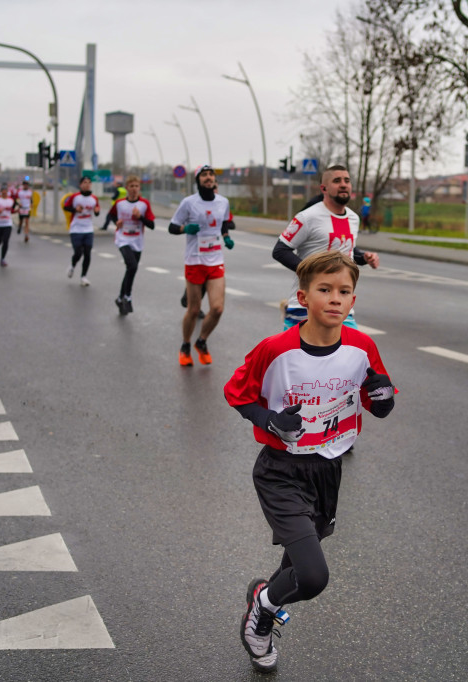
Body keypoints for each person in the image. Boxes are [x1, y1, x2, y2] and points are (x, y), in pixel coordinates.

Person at [224, 250, 396, 673]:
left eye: (344, 292)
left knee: (296, 567)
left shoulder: (362, 346)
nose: (335, 299)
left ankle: (263, 599)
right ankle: (262, 613)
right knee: (314, 577)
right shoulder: (276, 349)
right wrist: (268, 419)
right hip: (280, 471)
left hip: (327, 470)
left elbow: (379, 402)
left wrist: (383, 397)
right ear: (303, 297)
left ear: (353, 301)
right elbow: (237, 392)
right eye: (325, 290)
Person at [273, 165, 380, 330]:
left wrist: (364, 257)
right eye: (337, 181)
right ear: (324, 188)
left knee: (352, 352)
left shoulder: (353, 218)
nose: (343, 184)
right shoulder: (307, 217)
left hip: (341, 307)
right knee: (300, 355)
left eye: (347, 180)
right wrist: (311, 272)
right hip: (306, 306)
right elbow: (280, 250)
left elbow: (347, 250)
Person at [169, 164, 235, 366]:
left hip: (215, 259)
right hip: (195, 260)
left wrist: (226, 236)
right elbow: (172, 227)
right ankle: (186, 345)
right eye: (204, 175)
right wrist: (184, 228)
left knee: (217, 309)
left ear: (215, 181)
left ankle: (202, 341)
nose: (208, 178)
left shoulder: (223, 202)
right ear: (198, 180)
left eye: (211, 175)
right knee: (194, 309)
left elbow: (224, 222)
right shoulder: (189, 203)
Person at [104, 175, 155, 315]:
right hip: (123, 239)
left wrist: (140, 217)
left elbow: (152, 225)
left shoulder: (144, 204)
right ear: (127, 188)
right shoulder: (120, 203)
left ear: (139, 188)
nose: (134, 189)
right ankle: (128, 296)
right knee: (132, 266)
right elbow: (111, 214)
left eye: (136, 186)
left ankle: (120, 298)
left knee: (130, 270)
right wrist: (116, 223)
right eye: (131, 186)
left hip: (137, 241)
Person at [62, 175, 100, 286]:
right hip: (76, 228)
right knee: (78, 252)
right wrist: (75, 209)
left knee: (87, 252)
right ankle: (72, 266)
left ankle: (84, 277)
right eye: (84, 182)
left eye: (89, 182)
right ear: (80, 184)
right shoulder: (75, 197)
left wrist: (97, 211)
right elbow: (65, 207)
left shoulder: (94, 198)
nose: (87, 184)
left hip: (88, 229)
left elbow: (97, 212)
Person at [0, 187, 18, 267]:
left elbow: (11, 210)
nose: (4, 193)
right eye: (3, 192)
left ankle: (2, 258)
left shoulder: (11, 200)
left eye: (6, 192)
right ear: (1, 192)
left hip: (7, 223)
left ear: (7, 192)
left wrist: (15, 211)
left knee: (6, 241)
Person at [16, 177, 34, 242]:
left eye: (27, 185)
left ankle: (26, 235)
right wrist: (18, 204)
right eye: (25, 185)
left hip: (27, 208)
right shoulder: (20, 192)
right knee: (21, 221)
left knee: (26, 222)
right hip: (21, 208)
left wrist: (31, 204)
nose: (26, 186)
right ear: (23, 185)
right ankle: (19, 227)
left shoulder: (30, 192)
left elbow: (31, 199)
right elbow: (17, 199)